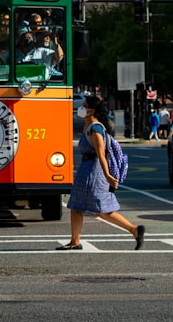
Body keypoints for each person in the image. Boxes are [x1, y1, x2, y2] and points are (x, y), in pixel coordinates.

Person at [59, 94, 145, 251]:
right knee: (79, 206)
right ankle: (75, 240)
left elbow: (101, 153)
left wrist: (107, 175)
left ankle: (134, 229)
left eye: (84, 106)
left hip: (93, 172)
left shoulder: (96, 129)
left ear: (92, 110)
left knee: (100, 208)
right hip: (88, 170)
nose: (81, 108)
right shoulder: (89, 126)